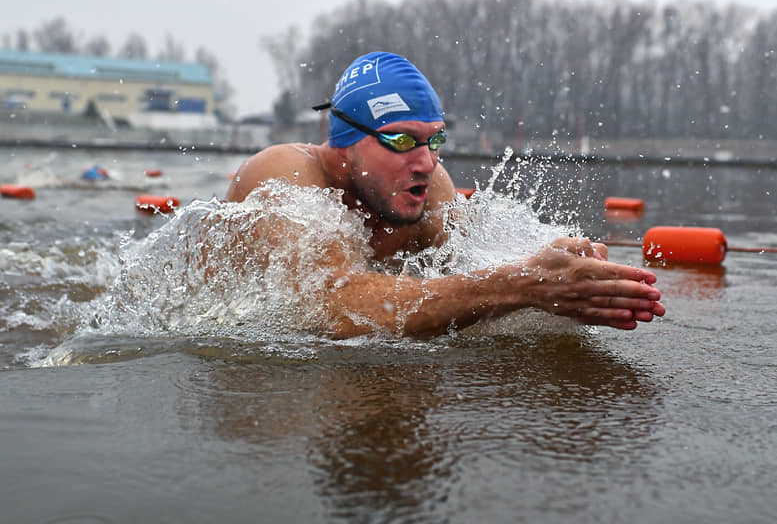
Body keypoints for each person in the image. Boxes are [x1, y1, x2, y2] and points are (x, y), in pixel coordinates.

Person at [226, 51, 665, 338]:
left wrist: (560, 274)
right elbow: (331, 309)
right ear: (345, 138)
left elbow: (470, 264)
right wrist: (524, 284)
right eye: (400, 141)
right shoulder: (284, 173)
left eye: (434, 141)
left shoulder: (426, 184)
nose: (426, 162)